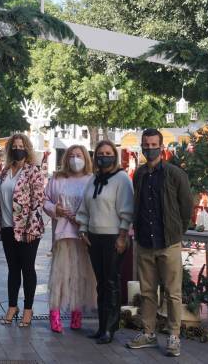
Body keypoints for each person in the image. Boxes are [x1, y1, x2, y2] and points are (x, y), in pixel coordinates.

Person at [126, 128, 193, 358]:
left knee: (173, 293)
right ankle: (148, 332)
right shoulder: (140, 174)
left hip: (168, 242)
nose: (150, 148)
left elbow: (186, 208)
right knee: (147, 292)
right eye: (146, 144)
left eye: (154, 144)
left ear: (161, 147)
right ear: (142, 146)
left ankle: (174, 336)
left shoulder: (175, 174)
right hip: (145, 242)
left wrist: (177, 232)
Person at [76, 140, 133, 344]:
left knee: (111, 283)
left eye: (108, 153)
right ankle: (101, 327)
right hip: (94, 237)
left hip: (113, 238)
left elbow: (127, 210)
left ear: (114, 156)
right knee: (101, 284)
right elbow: (84, 208)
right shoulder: (93, 179)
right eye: (101, 153)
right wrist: (83, 230)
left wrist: (122, 236)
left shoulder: (122, 179)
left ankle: (110, 328)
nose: (104, 156)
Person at [0, 133, 45, 328]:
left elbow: (37, 201)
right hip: (7, 227)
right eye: (14, 146)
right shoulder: (5, 171)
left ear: (27, 148)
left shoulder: (33, 171)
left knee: (27, 269)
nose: (17, 149)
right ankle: (12, 306)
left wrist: (32, 227)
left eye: (20, 145)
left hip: (27, 230)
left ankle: (28, 309)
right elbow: (1, 199)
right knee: (13, 270)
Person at [43, 145, 96, 333]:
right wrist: (55, 209)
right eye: (71, 155)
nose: (75, 159)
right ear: (66, 158)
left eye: (79, 155)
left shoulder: (92, 180)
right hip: (63, 235)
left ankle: (76, 314)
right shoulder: (57, 179)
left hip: (83, 236)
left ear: (86, 158)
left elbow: (96, 205)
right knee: (59, 277)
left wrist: (82, 218)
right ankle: (55, 315)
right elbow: (45, 200)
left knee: (80, 276)